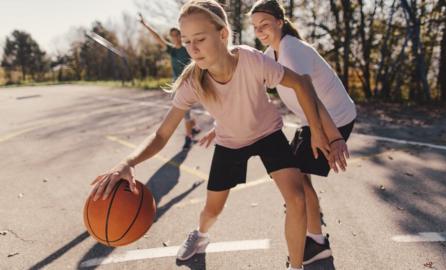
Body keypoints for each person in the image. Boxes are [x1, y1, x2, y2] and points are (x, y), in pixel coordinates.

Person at [91, 1, 345, 269]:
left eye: (199, 39)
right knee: (213, 209)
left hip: (268, 133)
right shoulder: (192, 82)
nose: (192, 48)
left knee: (297, 198)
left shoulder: (252, 60)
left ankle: (296, 265)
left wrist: (318, 132)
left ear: (223, 34)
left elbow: (302, 84)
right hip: (231, 142)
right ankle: (200, 236)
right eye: (187, 41)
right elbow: (162, 134)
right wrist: (127, 163)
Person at [201, 0, 356, 265]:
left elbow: (314, 99)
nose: (260, 31)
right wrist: (222, 126)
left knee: (300, 183)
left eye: (266, 25)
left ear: (280, 22)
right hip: (314, 120)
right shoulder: (271, 52)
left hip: (332, 120)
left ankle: (316, 241)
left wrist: (332, 137)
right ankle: (314, 234)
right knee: (300, 180)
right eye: (255, 27)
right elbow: (249, 93)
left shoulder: (290, 51)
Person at [139, 13, 199, 149]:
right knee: (187, 112)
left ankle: (189, 137)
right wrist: (145, 25)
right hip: (178, 85)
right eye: (172, 36)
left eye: (177, 35)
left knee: (186, 112)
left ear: (181, 35)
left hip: (190, 84)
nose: (175, 38)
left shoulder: (188, 48)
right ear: (171, 38)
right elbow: (157, 37)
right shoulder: (171, 50)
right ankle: (193, 130)